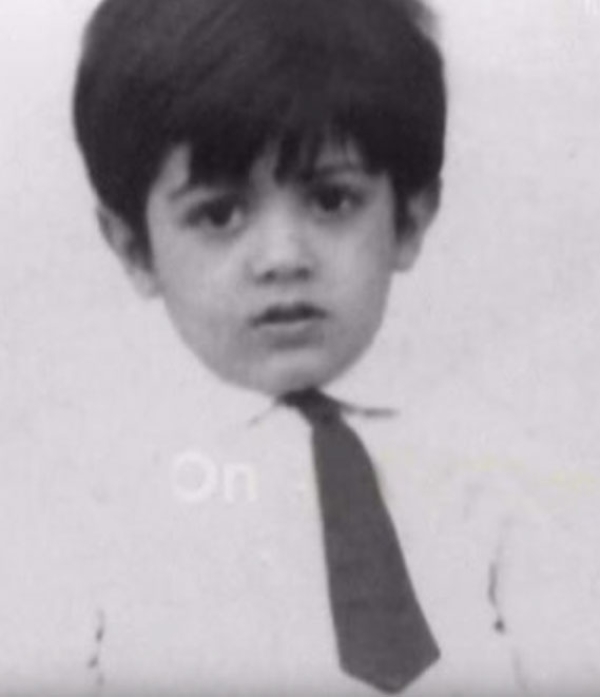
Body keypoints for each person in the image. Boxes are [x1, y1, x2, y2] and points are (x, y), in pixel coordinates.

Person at [65, 0, 600, 694]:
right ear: (135, 248)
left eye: (331, 201)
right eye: (219, 214)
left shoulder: (502, 472)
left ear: (409, 219)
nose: (283, 257)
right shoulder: (91, 500)